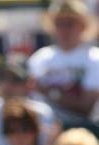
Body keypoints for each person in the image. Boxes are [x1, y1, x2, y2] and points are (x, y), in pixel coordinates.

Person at [28, 0, 99, 131]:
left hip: (84, 129)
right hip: (44, 130)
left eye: (70, 23)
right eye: (59, 23)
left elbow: (86, 106)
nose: (64, 29)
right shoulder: (40, 58)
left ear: (83, 26)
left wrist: (49, 92)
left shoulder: (94, 58)